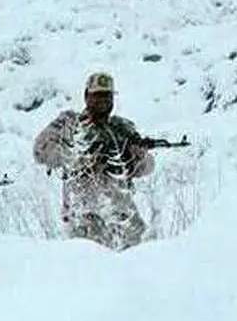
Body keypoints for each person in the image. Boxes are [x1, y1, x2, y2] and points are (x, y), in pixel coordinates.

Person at [33, 72, 154, 250]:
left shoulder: (121, 128)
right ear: (86, 96)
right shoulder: (69, 123)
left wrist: (134, 158)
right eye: (97, 96)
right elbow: (41, 149)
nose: (102, 101)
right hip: (85, 213)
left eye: (107, 96)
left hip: (122, 212)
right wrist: (81, 156)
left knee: (142, 260)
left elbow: (148, 167)